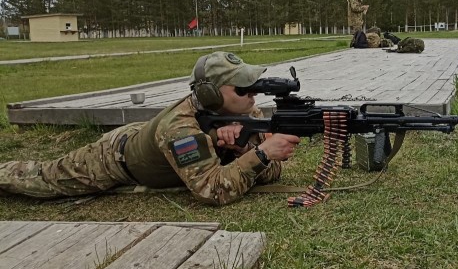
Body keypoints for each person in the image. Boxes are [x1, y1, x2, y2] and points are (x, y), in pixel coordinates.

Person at [0, 52, 302, 206]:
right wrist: (261, 153)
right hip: (111, 160)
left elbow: (270, 174)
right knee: (40, 179)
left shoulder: (246, 111)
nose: (252, 93)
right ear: (210, 93)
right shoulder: (178, 126)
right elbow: (212, 191)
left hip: (149, 141)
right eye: (242, 87)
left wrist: (245, 149)